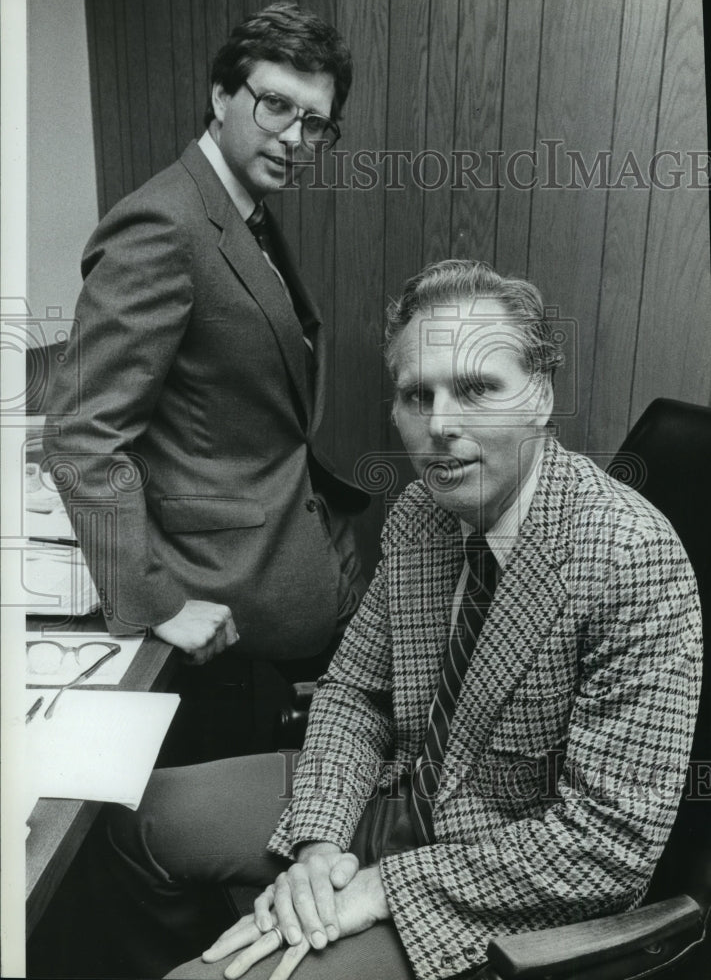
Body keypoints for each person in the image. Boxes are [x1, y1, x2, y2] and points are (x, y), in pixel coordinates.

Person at [68, 260, 702, 980]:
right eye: (416, 395)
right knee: (128, 818)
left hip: (498, 874)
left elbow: (608, 846)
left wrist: (377, 888)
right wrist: (316, 848)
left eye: (476, 389)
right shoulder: (421, 513)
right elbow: (353, 692)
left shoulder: (629, 557)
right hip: (395, 793)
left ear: (539, 397)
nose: (440, 425)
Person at [42, 3, 367, 670]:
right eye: (274, 106)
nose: (292, 138)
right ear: (220, 96)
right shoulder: (163, 224)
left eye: (314, 124)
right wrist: (156, 602)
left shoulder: (238, 209)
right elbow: (80, 432)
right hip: (230, 597)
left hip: (299, 552)